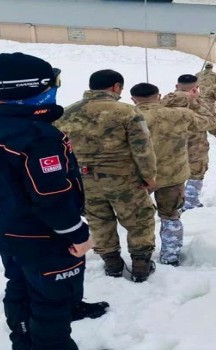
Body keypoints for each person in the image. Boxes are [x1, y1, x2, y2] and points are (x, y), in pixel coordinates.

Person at [0, 52, 108, 350]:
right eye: (54, 83)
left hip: (5, 224)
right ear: (33, 88)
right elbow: (52, 196)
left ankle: (25, 338)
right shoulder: (36, 138)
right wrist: (77, 234)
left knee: (21, 283)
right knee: (49, 302)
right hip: (42, 235)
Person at [54, 69, 157, 282]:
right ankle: (140, 265)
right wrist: (149, 176)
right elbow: (142, 149)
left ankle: (112, 264)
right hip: (124, 180)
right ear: (116, 86)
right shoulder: (127, 112)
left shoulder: (65, 114)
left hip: (85, 181)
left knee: (99, 221)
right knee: (139, 220)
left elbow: (58, 151)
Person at [131, 83, 205, 266]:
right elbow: (208, 121)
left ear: (133, 99)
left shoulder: (128, 116)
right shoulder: (181, 114)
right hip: (174, 176)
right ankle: (170, 256)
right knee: (171, 216)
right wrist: (194, 102)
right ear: (159, 95)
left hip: (139, 178)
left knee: (138, 218)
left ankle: (141, 258)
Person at [162, 74, 216, 210]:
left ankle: (174, 201)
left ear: (177, 86)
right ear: (196, 88)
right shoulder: (199, 103)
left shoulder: (164, 101)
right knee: (197, 172)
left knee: (173, 173)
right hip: (196, 145)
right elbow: (213, 122)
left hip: (169, 146)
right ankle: (190, 200)